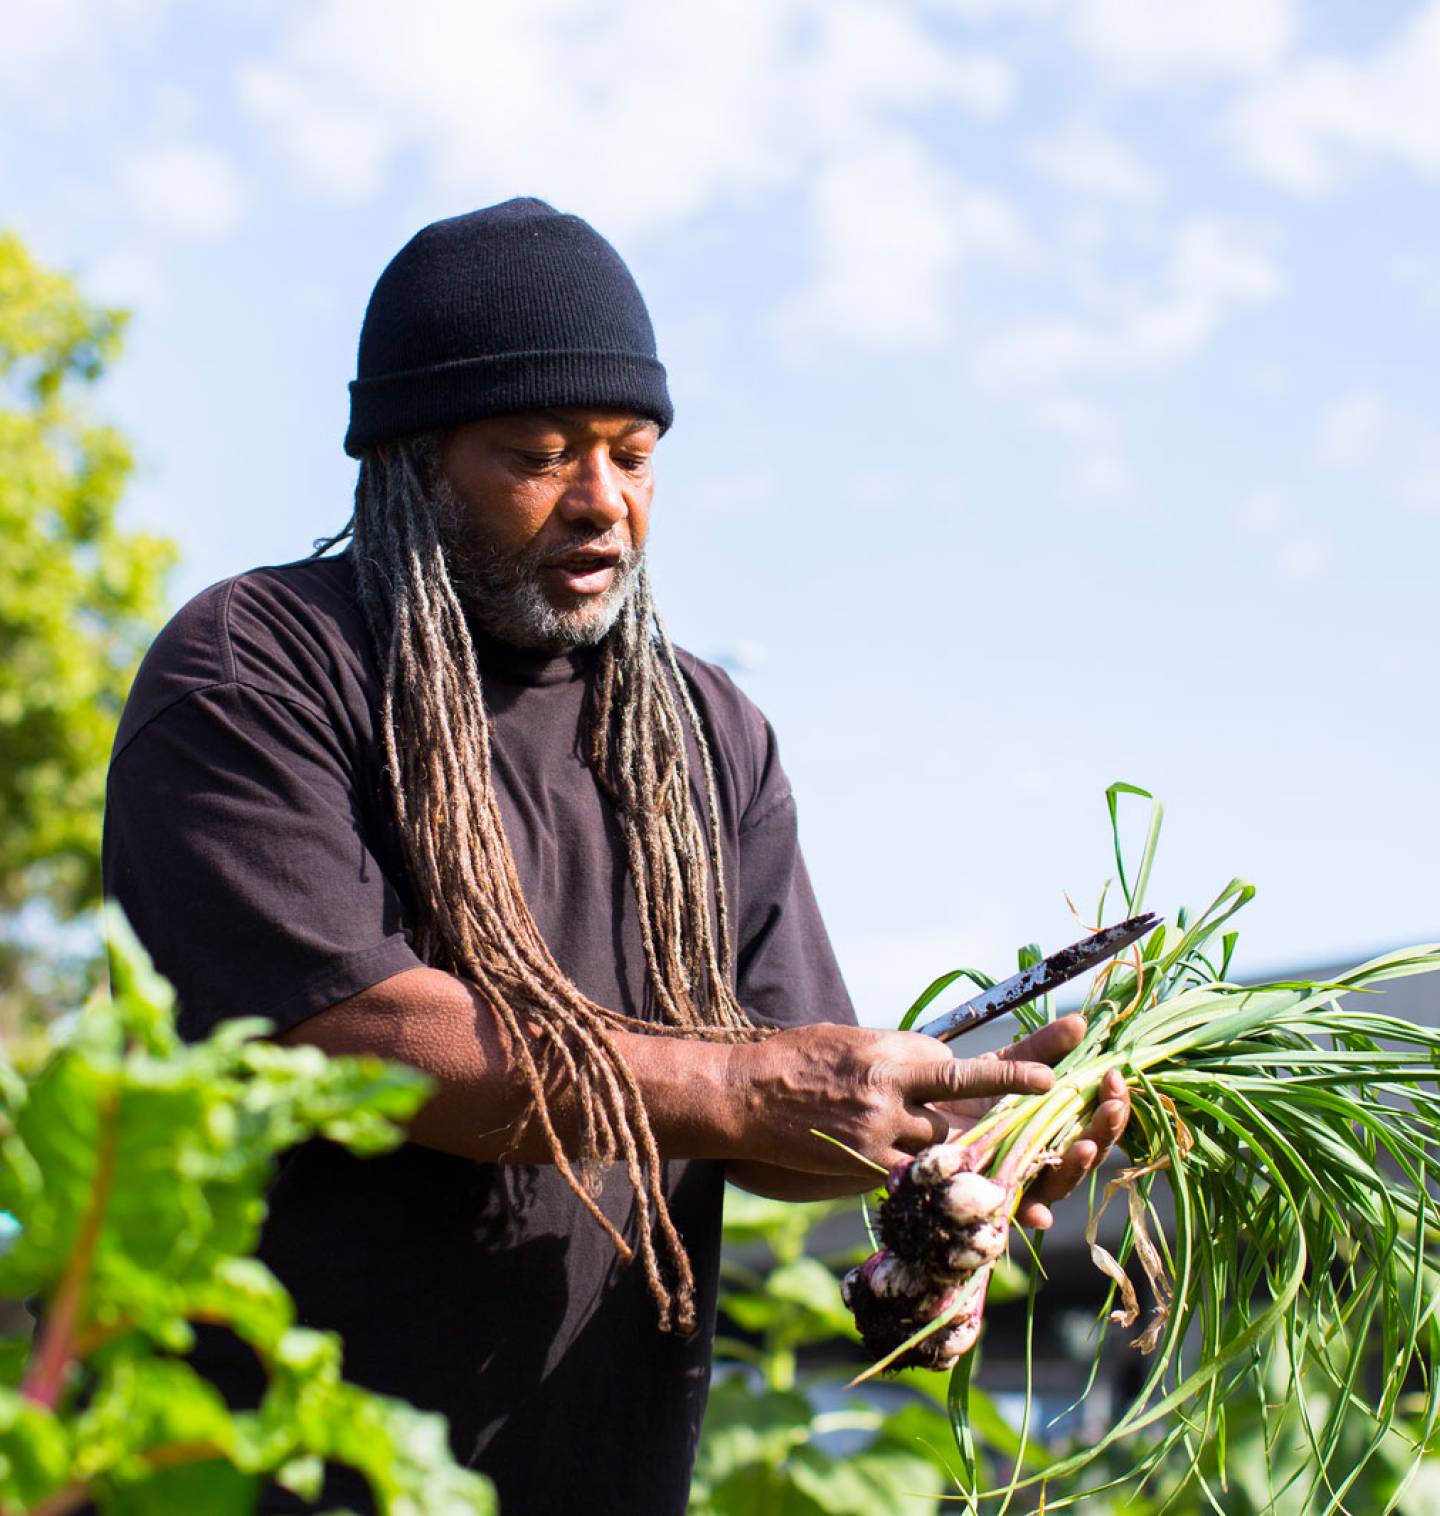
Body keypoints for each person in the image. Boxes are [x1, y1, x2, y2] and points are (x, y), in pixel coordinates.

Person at [102, 198, 1128, 1514]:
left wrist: (962, 1129)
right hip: (268, 1475)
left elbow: (783, 1104)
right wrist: (761, 1090)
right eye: (538, 453)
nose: (603, 500)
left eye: (634, 455)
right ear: (413, 462)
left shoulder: (703, 732)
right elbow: (355, 1039)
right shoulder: (262, 667)